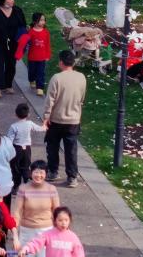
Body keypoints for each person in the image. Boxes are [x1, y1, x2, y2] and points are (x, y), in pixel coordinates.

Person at [42, 50, 85, 187]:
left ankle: (53, 171)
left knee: (52, 146)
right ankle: (72, 176)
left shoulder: (57, 78)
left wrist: (46, 116)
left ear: (61, 62)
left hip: (56, 118)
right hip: (74, 119)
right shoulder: (81, 77)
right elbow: (82, 97)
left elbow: (50, 99)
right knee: (71, 149)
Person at [12, 161, 60, 257]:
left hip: (46, 231)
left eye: (41, 172)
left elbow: (58, 212)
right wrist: (15, 235)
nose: (38, 175)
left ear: (46, 174)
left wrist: (59, 232)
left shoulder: (52, 189)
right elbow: (16, 213)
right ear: (31, 173)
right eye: (36, 172)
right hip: (27, 231)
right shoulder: (23, 189)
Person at [7, 104, 45, 200]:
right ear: (28, 115)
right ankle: (28, 183)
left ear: (16, 114)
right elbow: (39, 129)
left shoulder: (13, 126)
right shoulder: (30, 124)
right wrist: (45, 125)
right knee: (26, 166)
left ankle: (16, 186)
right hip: (27, 149)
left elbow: (9, 140)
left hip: (17, 149)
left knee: (15, 168)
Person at [16, 207, 83, 257]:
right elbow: (36, 242)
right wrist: (26, 249)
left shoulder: (73, 237)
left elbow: (79, 253)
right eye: (60, 220)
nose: (63, 223)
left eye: (66, 220)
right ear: (55, 221)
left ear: (70, 220)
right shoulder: (48, 234)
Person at [15, 13, 52, 96]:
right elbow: (24, 42)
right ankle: (31, 80)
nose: (43, 22)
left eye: (44, 20)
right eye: (41, 20)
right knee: (31, 72)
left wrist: (47, 55)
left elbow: (47, 44)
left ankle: (40, 88)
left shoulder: (46, 32)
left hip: (42, 58)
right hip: (32, 57)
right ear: (35, 21)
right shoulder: (31, 32)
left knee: (41, 73)